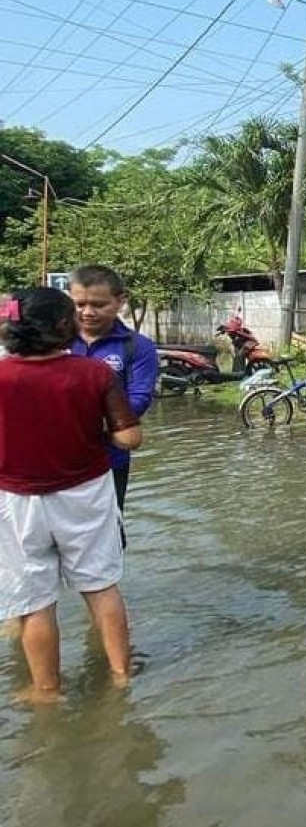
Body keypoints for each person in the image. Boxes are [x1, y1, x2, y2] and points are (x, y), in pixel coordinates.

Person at [0, 287, 141, 699]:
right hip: (86, 497)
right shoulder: (95, 374)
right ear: (66, 326)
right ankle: (121, 675)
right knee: (101, 587)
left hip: (15, 501)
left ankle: (45, 689)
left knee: (34, 602)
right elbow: (130, 437)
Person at [69, 265, 158, 514]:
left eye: (98, 305)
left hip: (109, 460)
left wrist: (87, 424)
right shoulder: (54, 341)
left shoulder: (138, 347)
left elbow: (139, 397)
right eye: (79, 304)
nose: (87, 312)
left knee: (109, 534)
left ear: (120, 301)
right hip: (54, 460)